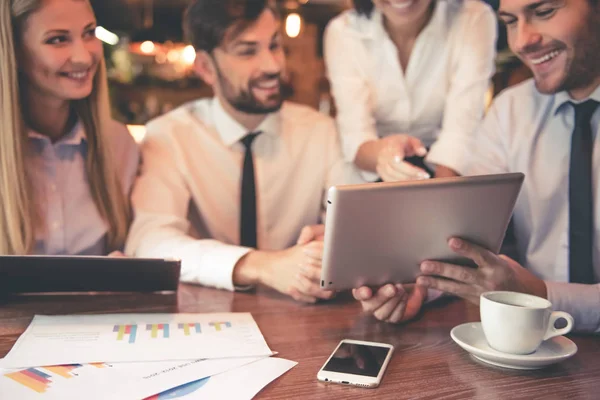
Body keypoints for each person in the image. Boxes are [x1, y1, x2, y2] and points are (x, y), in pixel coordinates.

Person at [126, 0, 414, 303]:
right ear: (206, 68)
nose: (273, 65)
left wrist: (334, 244)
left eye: (274, 45)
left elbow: (358, 227)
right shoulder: (169, 136)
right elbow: (149, 241)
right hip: (204, 314)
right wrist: (262, 266)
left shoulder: (320, 132)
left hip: (304, 316)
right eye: (248, 51)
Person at [358, 0, 600, 332]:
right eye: (511, 22)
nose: (521, 42)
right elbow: (468, 237)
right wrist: (423, 285)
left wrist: (542, 296)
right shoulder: (510, 111)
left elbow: (525, 290)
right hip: (524, 345)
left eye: (544, 13)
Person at [0, 0, 139, 255]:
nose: (83, 57)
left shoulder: (119, 143)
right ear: (14, 52)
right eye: (57, 40)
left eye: (89, 33)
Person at [324, 0, 497, 182]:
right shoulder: (343, 31)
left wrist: (440, 197)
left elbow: (461, 133)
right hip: (374, 163)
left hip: (448, 166)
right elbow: (356, 137)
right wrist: (385, 154)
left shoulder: (473, 18)